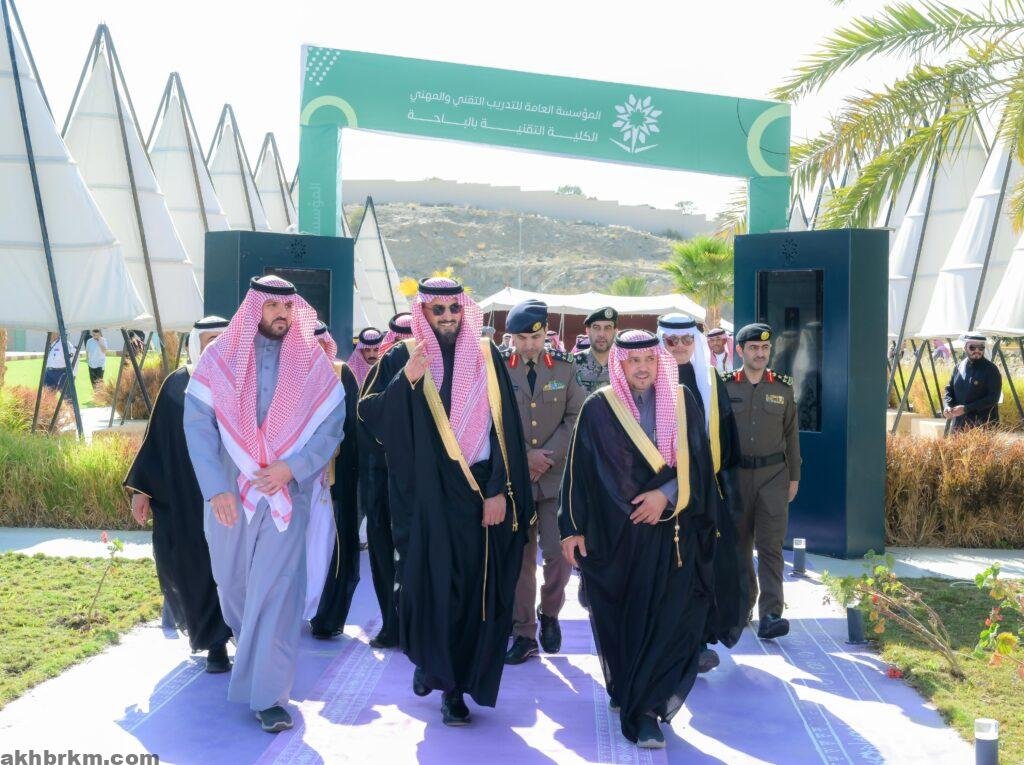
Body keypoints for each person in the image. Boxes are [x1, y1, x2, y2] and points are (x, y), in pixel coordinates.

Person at [358, 277, 532, 727]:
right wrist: (407, 381)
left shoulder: (487, 355)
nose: (448, 317)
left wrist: (498, 490)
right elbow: (369, 416)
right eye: (438, 310)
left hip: (479, 492)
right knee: (430, 586)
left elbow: (506, 431)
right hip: (427, 498)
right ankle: (432, 663)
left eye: (454, 309)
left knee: (473, 589)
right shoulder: (402, 356)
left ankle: (454, 688)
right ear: (424, 312)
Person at [183, 276, 346, 733]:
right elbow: (197, 424)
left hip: (285, 496)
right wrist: (215, 487)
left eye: (287, 307)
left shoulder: (311, 363)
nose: (281, 313)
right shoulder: (220, 356)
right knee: (233, 587)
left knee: (277, 592)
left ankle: (270, 697)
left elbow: (331, 425)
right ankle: (249, 649)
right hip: (229, 496)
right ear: (255, 307)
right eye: (272, 305)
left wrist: (293, 468)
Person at [559, 329, 716, 748]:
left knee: (667, 619)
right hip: (616, 538)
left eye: (649, 359)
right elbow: (578, 473)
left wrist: (665, 495)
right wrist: (571, 528)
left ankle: (645, 711)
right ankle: (628, 686)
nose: (643, 368)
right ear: (620, 363)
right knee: (622, 619)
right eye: (634, 361)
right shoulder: (598, 407)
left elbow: (699, 463)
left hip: (670, 534)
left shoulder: (681, 401)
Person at [125, 316, 232, 673]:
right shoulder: (178, 383)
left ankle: (242, 636)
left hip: (234, 494)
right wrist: (142, 490)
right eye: (211, 340)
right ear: (197, 345)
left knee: (235, 568)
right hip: (188, 495)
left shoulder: (242, 380)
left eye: (223, 339)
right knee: (197, 565)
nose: (218, 347)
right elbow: (157, 440)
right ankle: (215, 643)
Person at [657, 314, 745, 672]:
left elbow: (726, 437)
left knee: (704, 564)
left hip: (705, 492)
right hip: (662, 494)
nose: (679, 347)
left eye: (685, 340)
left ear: (695, 342)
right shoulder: (651, 376)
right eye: (671, 341)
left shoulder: (709, 378)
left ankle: (697, 642)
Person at [502, 300, 585, 665]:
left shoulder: (565, 368)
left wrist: (546, 456)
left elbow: (577, 415)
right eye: (522, 339)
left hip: (554, 481)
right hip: (516, 483)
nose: (529, 345)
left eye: (535, 338)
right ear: (511, 338)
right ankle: (524, 632)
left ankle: (549, 612)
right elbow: (491, 420)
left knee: (559, 556)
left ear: (546, 334)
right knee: (521, 561)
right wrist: (525, 457)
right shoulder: (499, 369)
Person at [726, 323, 800, 641]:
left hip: (773, 478)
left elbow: (791, 436)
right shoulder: (725, 386)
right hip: (737, 477)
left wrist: (794, 476)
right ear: (740, 350)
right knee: (739, 546)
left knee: (771, 546)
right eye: (754, 347)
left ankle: (771, 614)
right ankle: (743, 604)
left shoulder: (782, 388)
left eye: (765, 348)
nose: (760, 353)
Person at [306, 321, 362, 640]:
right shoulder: (285, 375)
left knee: (327, 545)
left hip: (331, 481)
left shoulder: (341, 374)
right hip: (291, 480)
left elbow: (352, 429)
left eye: (319, 345)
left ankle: (324, 615)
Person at [943, 333, 1002, 432]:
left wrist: (966, 408)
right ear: (964, 348)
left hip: (983, 426)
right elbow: (949, 390)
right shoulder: (958, 367)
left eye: (981, 348)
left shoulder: (991, 369)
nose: (977, 351)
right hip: (959, 425)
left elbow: (993, 398)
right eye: (972, 347)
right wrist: (947, 406)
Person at [574, 306, 617, 394]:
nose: (601, 334)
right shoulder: (572, 365)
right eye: (596, 327)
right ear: (588, 331)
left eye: (607, 328)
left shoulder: (623, 365)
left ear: (615, 332)